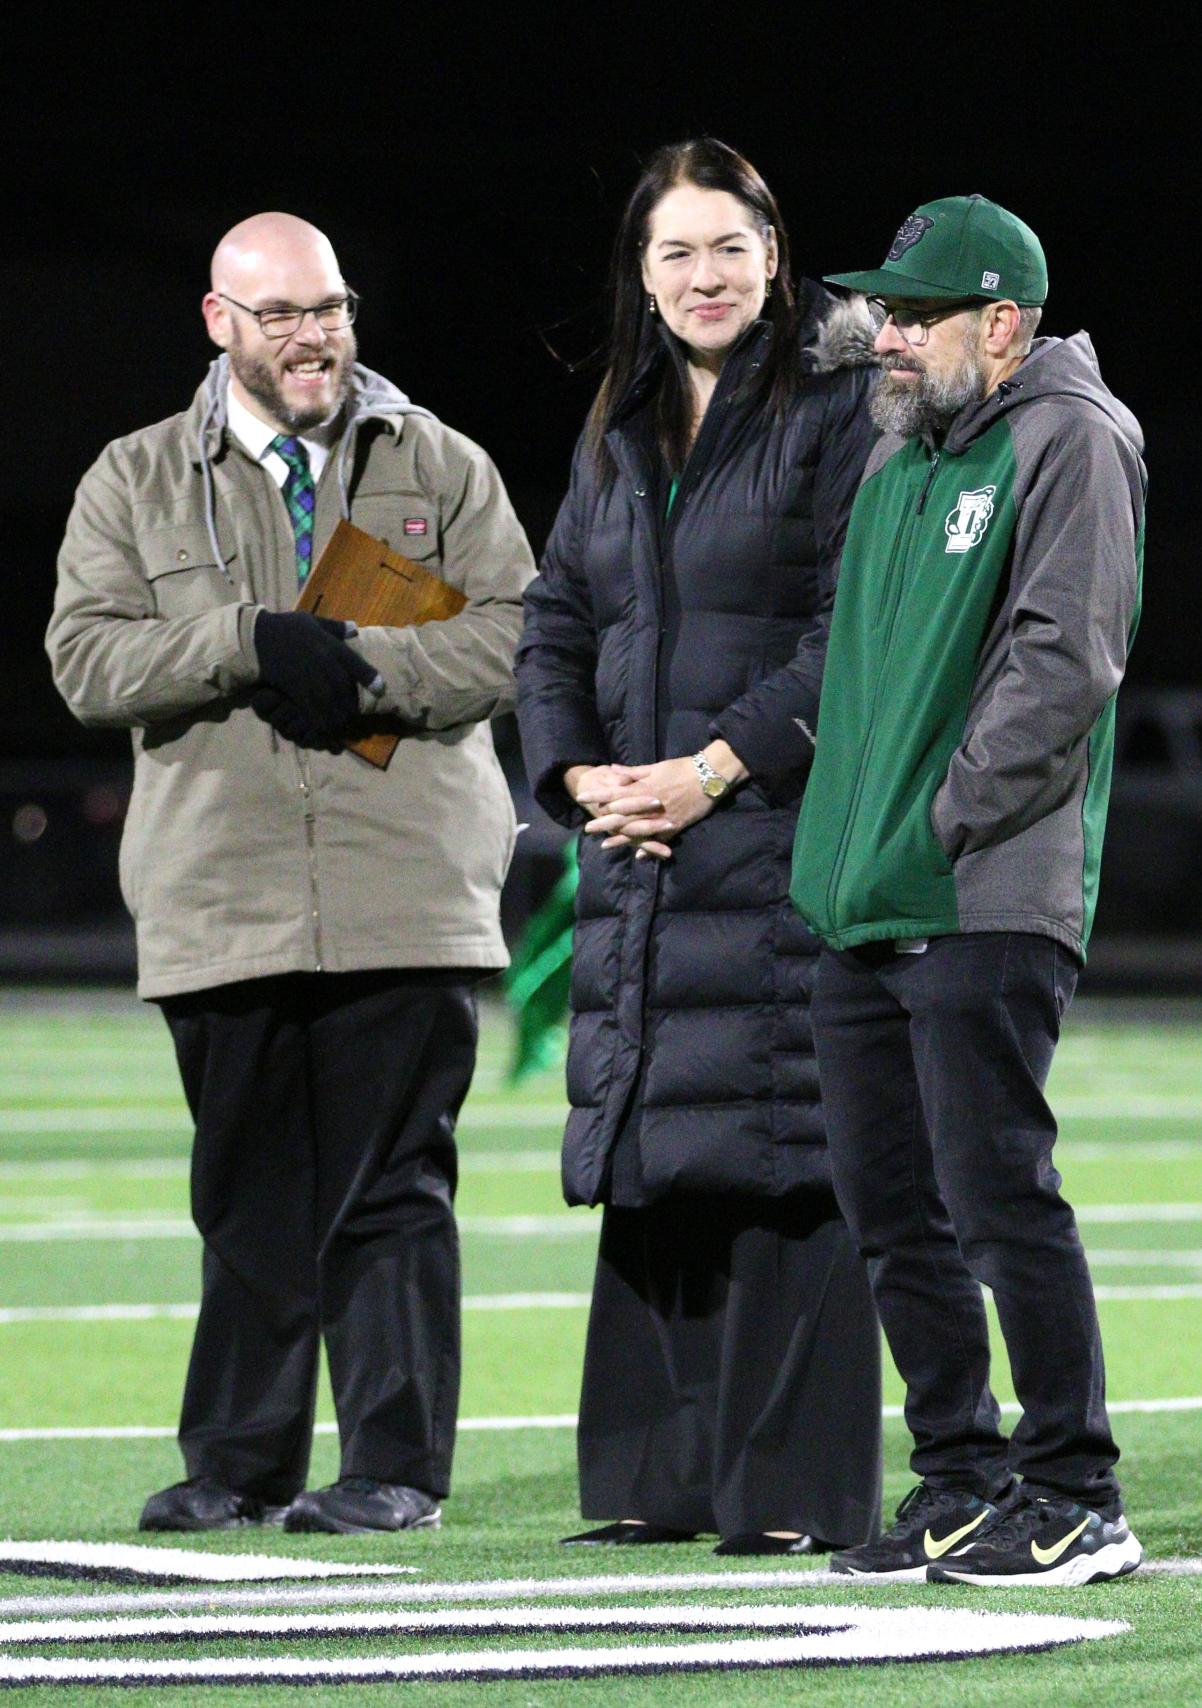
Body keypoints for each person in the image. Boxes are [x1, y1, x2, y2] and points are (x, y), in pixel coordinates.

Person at [47, 213, 534, 1535]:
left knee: (393, 1185)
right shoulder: (136, 476)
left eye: (331, 307)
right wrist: (244, 640)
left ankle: (391, 1469)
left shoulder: (439, 460)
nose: (315, 334)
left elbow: (514, 637)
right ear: (220, 323)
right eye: (282, 315)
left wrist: (369, 666)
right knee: (247, 1188)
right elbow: (86, 659)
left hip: (405, 881)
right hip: (224, 885)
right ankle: (239, 1465)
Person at [513, 139, 883, 1556]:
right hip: (638, 840)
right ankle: (655, 1483)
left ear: (775, 256)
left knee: (785, 1150)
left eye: (728, 246)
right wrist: (578, 772)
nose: (704, 275)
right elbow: (557, 614)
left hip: (771, 830)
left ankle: (786, 1493)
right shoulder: (620, 417)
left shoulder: (839, 405)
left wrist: (716, 768)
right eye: (676, 251)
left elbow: (851, 629)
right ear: (643, 272)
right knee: (654, 1148)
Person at [788, 195, 1146, 1587]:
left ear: (1001, 324)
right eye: (883, 310)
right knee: (890, 1207)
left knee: (998, 1195)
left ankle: (1075, 1488)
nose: (885, 335)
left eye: (914, 313)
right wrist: (846, 849)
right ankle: (957, 1476)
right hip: (868, 897)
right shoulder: (897, 464)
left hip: (983, 886)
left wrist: (936, 826)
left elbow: (1064, 662)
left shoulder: (1073, 438)